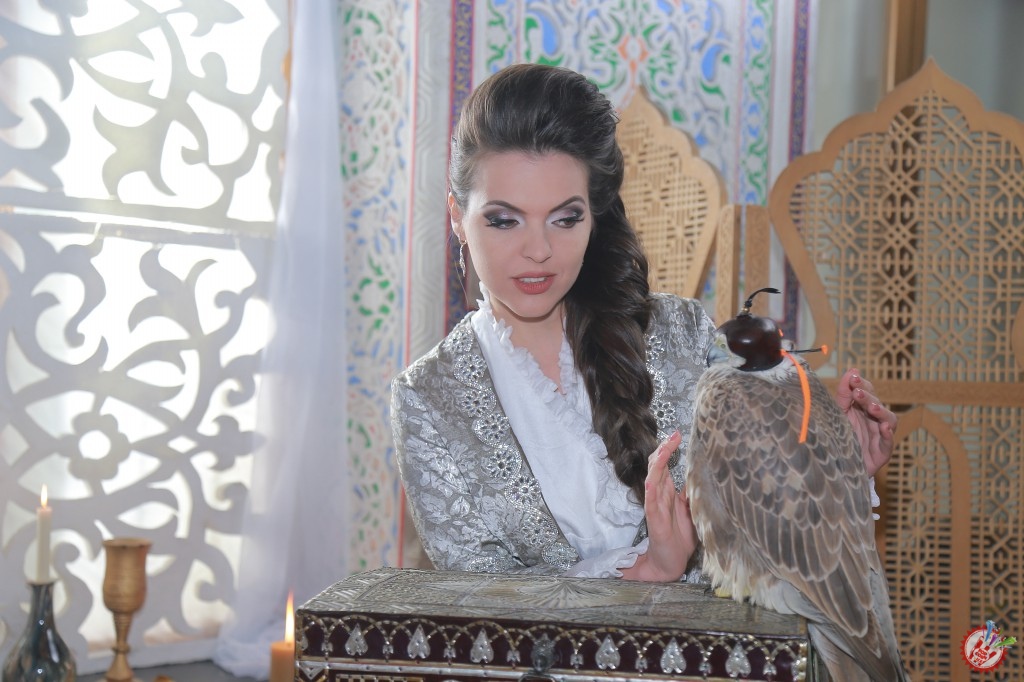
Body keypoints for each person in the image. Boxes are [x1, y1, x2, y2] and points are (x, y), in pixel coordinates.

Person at [390, 63, 897, 582]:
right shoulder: (428, 398)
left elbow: (764, 521)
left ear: (594, 215)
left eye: (566, 218)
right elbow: (477, 601)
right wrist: (644, 569)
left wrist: (834, 469)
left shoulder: (683, 333)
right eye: (504, 220)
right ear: (457, 217)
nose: (538, 250)